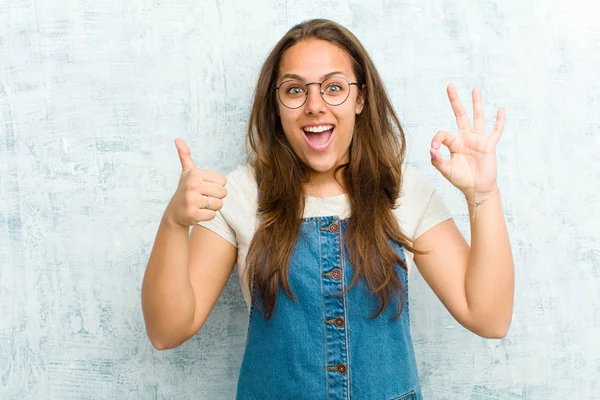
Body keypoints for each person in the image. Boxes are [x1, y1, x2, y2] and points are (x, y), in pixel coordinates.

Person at [141, 18, 514, 400]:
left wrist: (483, 193)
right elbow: (166, 330)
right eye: (295, 90)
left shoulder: (402, 190)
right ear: (276, 104)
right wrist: (173, 223)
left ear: (360, 98)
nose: (315, 106)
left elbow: (489, 317)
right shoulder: (240, 192)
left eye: (334, 87)